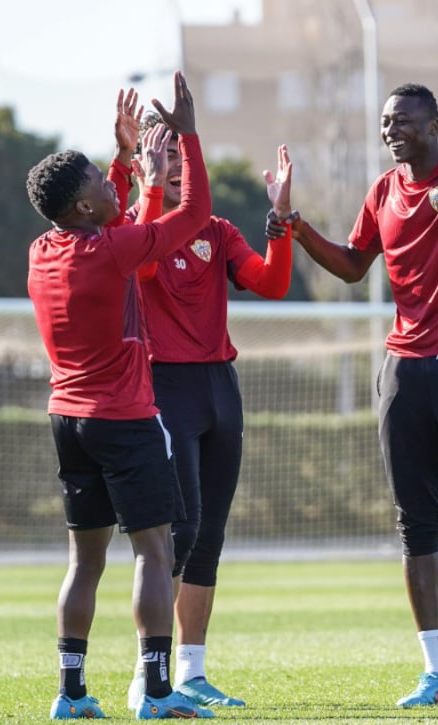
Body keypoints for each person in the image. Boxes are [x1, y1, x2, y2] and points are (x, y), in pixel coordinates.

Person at [265, 82, 438, 708]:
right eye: (386, 122)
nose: (392, 130)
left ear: (433, 123)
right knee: (415, 525)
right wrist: (296, 227)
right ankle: (436, 673)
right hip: (404, 370)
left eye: (404, 120)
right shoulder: (383, 191)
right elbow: (356, 264)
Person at [25, 71, 218, 720]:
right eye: (102, 185)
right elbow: (187, 217)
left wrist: (128, 161)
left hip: (68, 419)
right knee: (155, 552)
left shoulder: (43, 250)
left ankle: (71, 693)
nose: (115, 186)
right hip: (124, 419)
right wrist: (185, 142)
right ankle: (159, 692)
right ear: (82, 208)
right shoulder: (109, 251)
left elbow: (118, 226)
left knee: (85, 562)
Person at [122, 114, 294, 711]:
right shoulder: (136, 230)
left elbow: (272, 283)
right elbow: (142, 266)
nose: (173, 166)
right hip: (164, 388)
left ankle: (192, 673)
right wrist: (142, 183)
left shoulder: (217, 232)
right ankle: (151, 673)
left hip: (220, 387)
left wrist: (280, 223)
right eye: (161, 155)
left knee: (210, 536)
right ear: (149, 163)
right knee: (180, 530)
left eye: (181, 155)